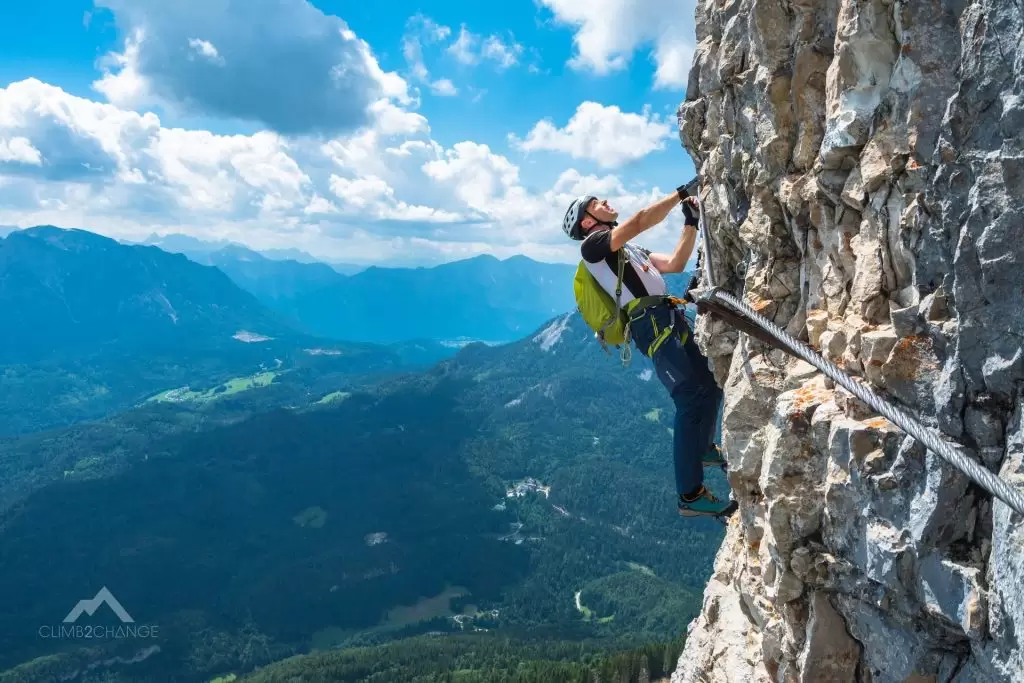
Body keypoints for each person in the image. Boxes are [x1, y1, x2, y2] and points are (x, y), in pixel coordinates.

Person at [562, 186, 738, 519]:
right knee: (688, 397)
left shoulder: (632, 250)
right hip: (650, 324)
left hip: (668, 316)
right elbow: (642, 219)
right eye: (598, 204)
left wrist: (691, 222)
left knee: (709, 383)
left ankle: (702, 449)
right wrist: (680, 194)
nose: (607, 203)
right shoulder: (593, 247)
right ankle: (690, 494)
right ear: (587, 223)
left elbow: (675, 263)